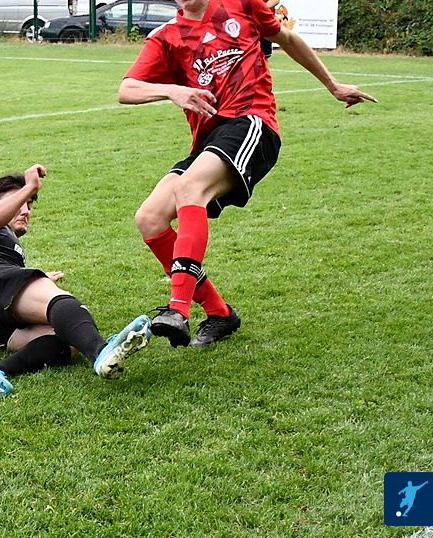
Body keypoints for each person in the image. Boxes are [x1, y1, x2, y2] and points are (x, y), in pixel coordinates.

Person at [118, 0, 376, 348]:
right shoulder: (166, 37)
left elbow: (288, 39)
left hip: (254, 123)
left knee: (190, 187)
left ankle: (178, 309)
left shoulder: (241, 4)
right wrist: (171, 90)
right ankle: (220, 313)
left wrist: (333, 85)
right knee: (149, 218)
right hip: (210, 141)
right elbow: (127, 89)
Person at [0, 164, 151, 396]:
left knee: (70, 340)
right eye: (18, 201)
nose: (25, 210)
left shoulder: (9, 246)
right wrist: (29, 187)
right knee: (61, 300)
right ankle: (101, 351)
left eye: (29, 205)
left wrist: (37, 278)